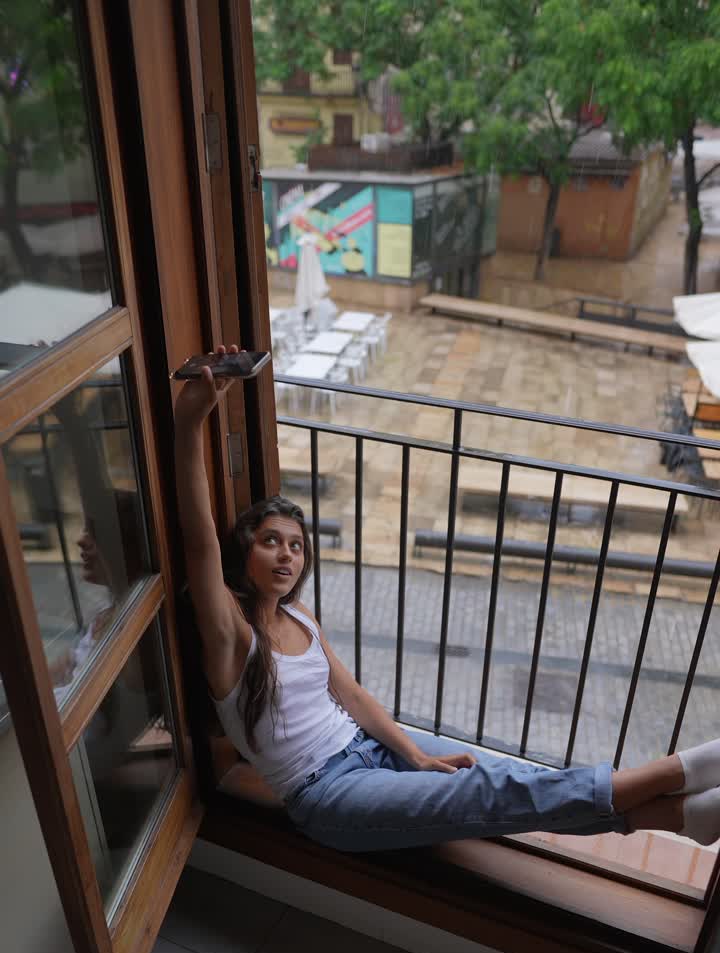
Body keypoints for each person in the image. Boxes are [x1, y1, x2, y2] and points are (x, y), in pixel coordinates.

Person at [173, 344, 720, 856]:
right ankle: (675, 772)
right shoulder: (231, 634)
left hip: (369, 746)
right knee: (486, 794)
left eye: (296, 545)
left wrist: (413, 754)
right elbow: (199, 539)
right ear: (243, 551)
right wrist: (191, 422)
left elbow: (355, 697)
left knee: (498, 776)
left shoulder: (299, 615)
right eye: (270, 542)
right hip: (326, 794)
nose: (287, 556)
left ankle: (682, 819)